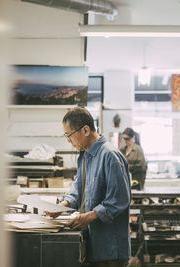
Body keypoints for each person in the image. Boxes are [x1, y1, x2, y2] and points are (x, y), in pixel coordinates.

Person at [47, 107, 131, 267]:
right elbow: (78, 188)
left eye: (69, 135)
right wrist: (62, 206)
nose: (68, 141)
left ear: (85, 130)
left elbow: (119, 200)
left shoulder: (110, 156)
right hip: (93, 242)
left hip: (110, 249)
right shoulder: (85, 155)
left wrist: (89, 216)